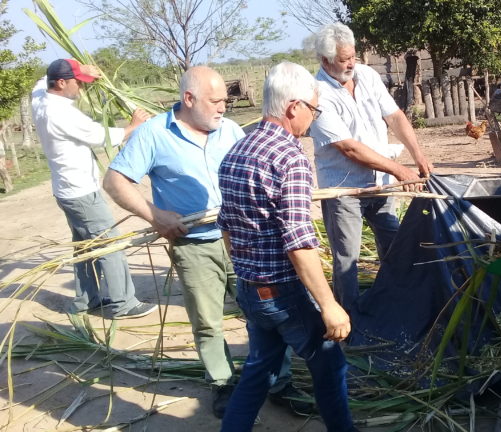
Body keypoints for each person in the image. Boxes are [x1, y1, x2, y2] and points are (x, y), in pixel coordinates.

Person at [102, 66, 306, 419]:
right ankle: (224, 382)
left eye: (225, 100)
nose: (223, 108)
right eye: (215, 101)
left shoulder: (229, 131)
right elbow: (115, 180)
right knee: (208, 321)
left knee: (262, 313)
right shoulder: (153, 134)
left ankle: (278, 380)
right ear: (189, 99)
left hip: (243, 238)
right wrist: (154, 214)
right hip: (194, 243)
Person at [217, 61, 354, 432]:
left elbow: (226, 227)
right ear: (294, 107)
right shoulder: (289, 158)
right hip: (282, 293)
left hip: (249, 288)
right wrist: (330, 307)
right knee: (330, 366)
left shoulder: (235, 151)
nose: (314, 117)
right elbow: (298, 243)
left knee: (260, 368)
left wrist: (248, 270)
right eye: (314, 109)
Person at [307, 22, 434, 313]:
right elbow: (349, 147)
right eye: (343, 59)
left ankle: (396, 301)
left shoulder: (366, 75)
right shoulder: (318, 94)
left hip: (379, 182)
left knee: (394, 242)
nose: (351, 63)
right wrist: (399, 170)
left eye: (353, 55)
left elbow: (395, 116)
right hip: (344, 189)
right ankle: (349, 319)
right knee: (347, 257)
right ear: (325, 60)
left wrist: (417, 155)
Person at [31, 58, 157, 320]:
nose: (82, 87)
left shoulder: (40, 100)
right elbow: (101, 137)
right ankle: (124, 303)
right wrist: (133, 125)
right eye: (78, 82)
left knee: (85, 247)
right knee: (110, 244)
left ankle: (86, 299)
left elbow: (39, 82)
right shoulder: (62, 113)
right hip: (81, 193)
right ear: (61, 83)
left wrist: (82, 70)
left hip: (65, 191)